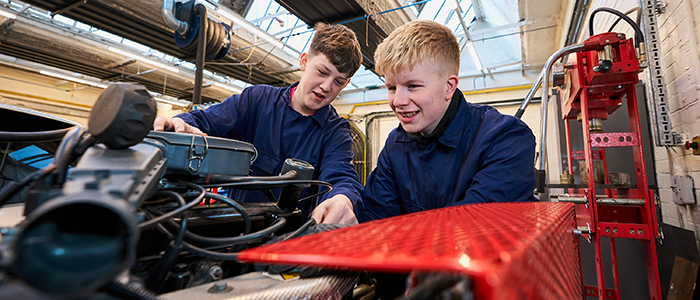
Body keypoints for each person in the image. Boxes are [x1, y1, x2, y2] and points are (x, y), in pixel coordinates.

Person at [153, 23, 363, 225]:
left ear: (345, 84)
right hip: (236, 230)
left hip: (293, 239)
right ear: (304, 61)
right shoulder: (257, 100)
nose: (326, 86)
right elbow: (205, 120)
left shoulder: (336, 131)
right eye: (322, 72)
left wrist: (342, 199)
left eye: (338, 81)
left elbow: (341, 176)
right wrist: (179, 124)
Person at [361, 20, 537, 222]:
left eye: (413, 86)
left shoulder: (506, 138)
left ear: (449, 87)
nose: (397, 101)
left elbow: (473, 223)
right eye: (392, 88)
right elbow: (374, 220)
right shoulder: (396, 144)